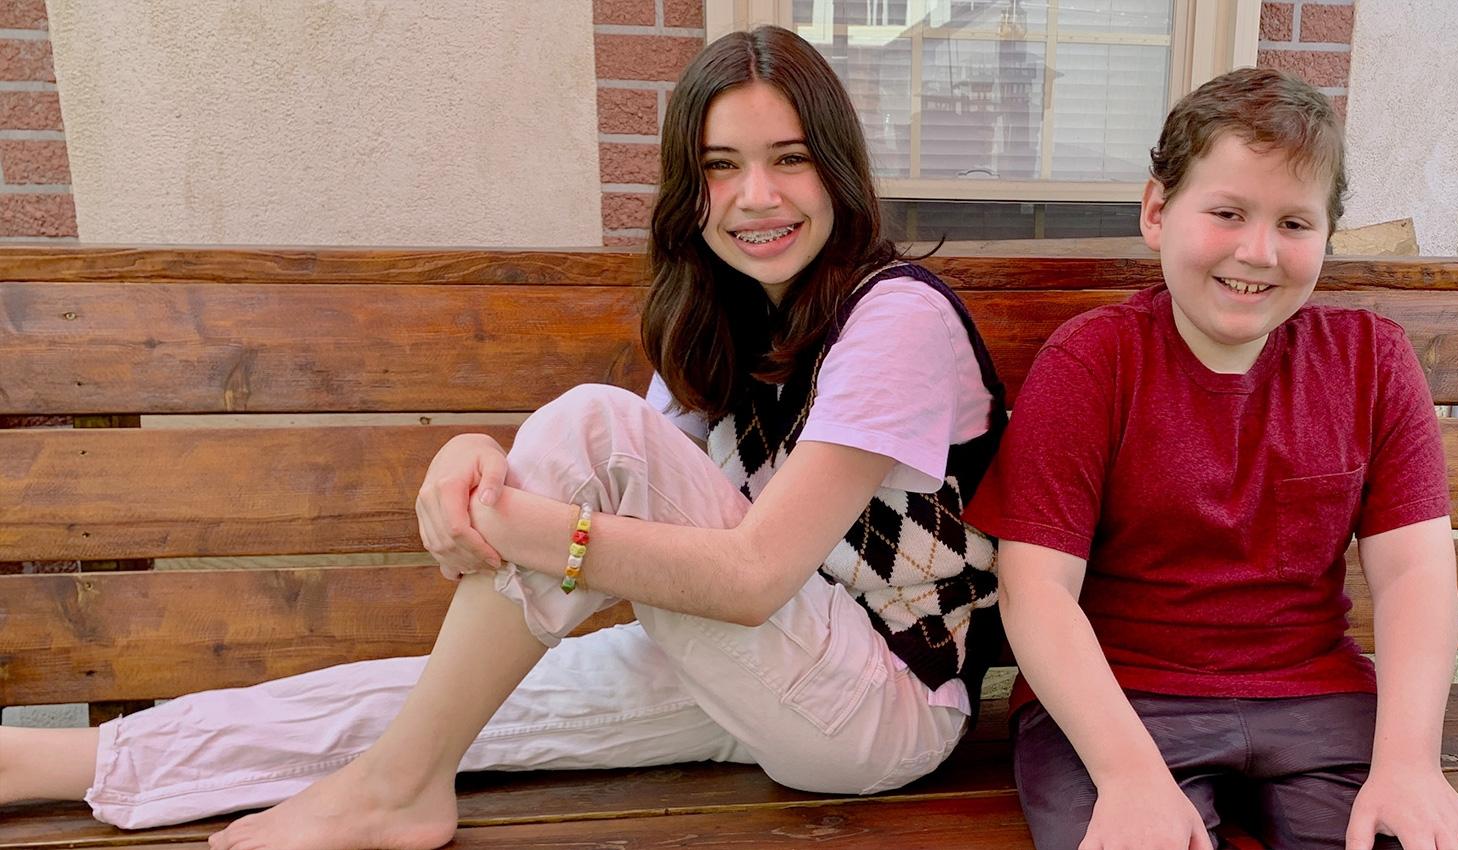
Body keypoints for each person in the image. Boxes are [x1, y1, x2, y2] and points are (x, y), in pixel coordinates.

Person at [0, 27, 1007, 850]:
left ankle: (397, 790)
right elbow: (621, 502)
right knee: (436, 702)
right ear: (685, 191)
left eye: (788, 160)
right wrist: (469, 462)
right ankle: (59, 764)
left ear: (834, 168)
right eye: (720, 168)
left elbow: (742, 572)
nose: (756, 197)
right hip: (764, 669)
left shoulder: (896, 320)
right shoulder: (723, 325)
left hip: (884, 705)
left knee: (588, 426)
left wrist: (526, 526)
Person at [962, 68, 1458, 850]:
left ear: (1327, 238)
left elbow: (1414, 572)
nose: (1259, 251)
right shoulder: (1093, 362)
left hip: (1316, 695)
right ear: (1156, 212)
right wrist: (1131, 777)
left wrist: (1410, 764)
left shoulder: (1371, 363)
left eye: (1295, 224)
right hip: (1120, 706)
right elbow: (1035, 590)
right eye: (1227, 212)